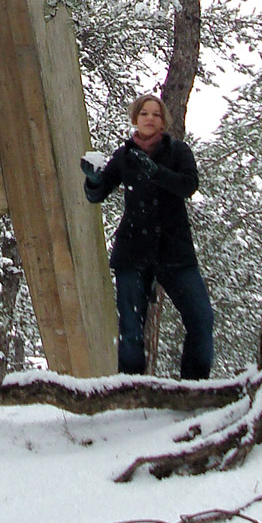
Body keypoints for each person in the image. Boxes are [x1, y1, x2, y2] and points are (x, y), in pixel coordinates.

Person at [81, 92, 215, 379]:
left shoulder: (179, 152)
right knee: (130, 328)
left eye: (155, 114)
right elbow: (99, 193)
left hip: (175, 253)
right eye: (144, 113)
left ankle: (194, 388)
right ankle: (131, 391)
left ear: (163, 121)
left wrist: (156, 172)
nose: (150, 118)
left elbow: (188, 185)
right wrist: (92, 181)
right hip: (133, 252)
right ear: (135, 119)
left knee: (202, 319)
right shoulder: (125, 155)